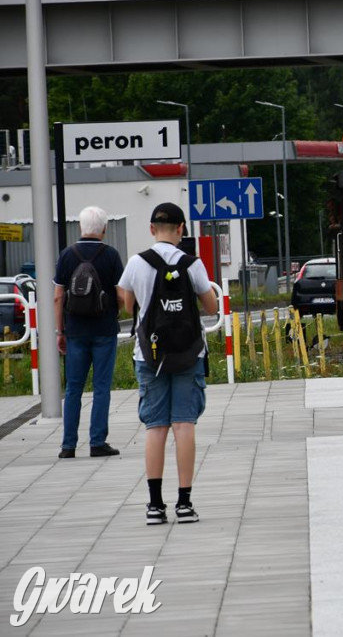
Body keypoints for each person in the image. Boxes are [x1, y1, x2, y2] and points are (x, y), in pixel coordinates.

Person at [117, 203, 218, 525]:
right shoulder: (192, 264)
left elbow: (128, 306)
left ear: (151, 229)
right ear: (181, 229)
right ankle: (185, 503)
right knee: (184, 425)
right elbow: (211, 306)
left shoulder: (136, 263)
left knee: (155, 427)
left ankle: (155, 505)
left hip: (150, 356)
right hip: (188, 353)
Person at [54, 206, 124, 459]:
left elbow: (58, 296)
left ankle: (68, 446)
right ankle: (97, 443)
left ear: (80, 227)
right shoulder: (111, 255)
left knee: (73, 387)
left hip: (74, 330)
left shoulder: (66, 255)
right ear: (104, 229)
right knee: (101, 386)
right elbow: (121, 293)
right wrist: (119, 312)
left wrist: (59, 331)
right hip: (104, 329)